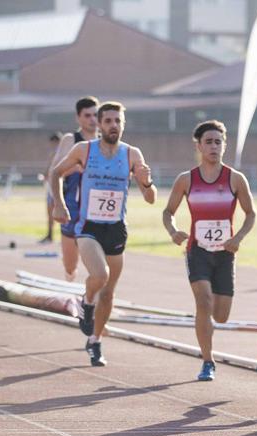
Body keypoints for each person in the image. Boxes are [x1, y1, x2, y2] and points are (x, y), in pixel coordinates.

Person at [51, 101, 156, 366]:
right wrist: (61, 205)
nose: (113, 126)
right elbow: (56, 173)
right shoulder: (84, 150)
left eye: (118, 121)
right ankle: (87, 302)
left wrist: (146, 182)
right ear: (99, 124)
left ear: (123, 124)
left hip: (116, 228)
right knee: (100, 275)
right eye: (108, 121)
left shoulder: (132, 154)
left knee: (108, 293)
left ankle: (95, 341)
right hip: (89, 227)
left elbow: (150, 198)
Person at [163, 120, 256, 381]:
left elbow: (251, 213)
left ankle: (209, 343)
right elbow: (168, 212)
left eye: (218, 142)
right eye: (209, 142)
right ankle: (207, 360)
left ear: (224, 145)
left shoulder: (235, 179)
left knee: (221, 315)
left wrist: (238, 237)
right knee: (203, 302)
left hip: (225, 253)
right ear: (199, 146)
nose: (214, 146)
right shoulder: (186, 179)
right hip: (198, 251)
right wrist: (173, 232)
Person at [50, 96, 100, 281]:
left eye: (96, 115)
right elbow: (55, 172)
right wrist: (58, 204)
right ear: (78, 118)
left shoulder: (104, 142)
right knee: (71, 265)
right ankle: (69, 280)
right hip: (73, 208)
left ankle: (95, 298)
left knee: (98, 262)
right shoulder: (71, 140)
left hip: (96, 210)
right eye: (87, 115)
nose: (93, 119)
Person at [40, 132, 62, 244]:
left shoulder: (60, 153)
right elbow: (48, 169)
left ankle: (57, 236)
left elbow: (53, 169)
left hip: (57, 186)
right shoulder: (54, 153)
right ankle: (50, 235)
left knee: (55, 210)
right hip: (50, 185)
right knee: (50, 211)